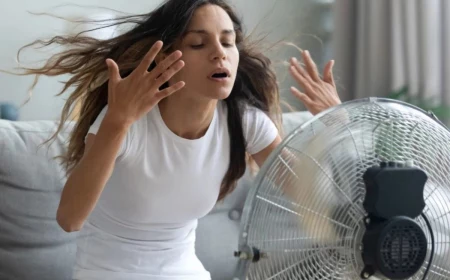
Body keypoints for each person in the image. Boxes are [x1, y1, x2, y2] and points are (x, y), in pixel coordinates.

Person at [14, 0, 340, 279]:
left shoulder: (245, 123)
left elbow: (314, 200)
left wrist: (339, 123)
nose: (219, 54)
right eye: (199, 44)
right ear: (166, 58)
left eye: (228, 42)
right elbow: (70, 219)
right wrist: (117, 120)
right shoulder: (126, 121)